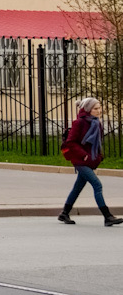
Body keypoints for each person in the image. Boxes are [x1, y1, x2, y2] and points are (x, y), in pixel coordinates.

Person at [59, 96, 121, 226]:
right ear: (88, 110)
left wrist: (98, 156)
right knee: (97, 185)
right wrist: (84, 155)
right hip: (80, 160)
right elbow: (71, 142)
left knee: (77, 188)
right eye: (96, 108)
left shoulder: (96, 123)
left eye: (99, 108)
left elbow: (97, 144)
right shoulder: (80, 123)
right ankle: (107, 216)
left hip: (88, 160)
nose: (99, 111)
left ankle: (64, 213)